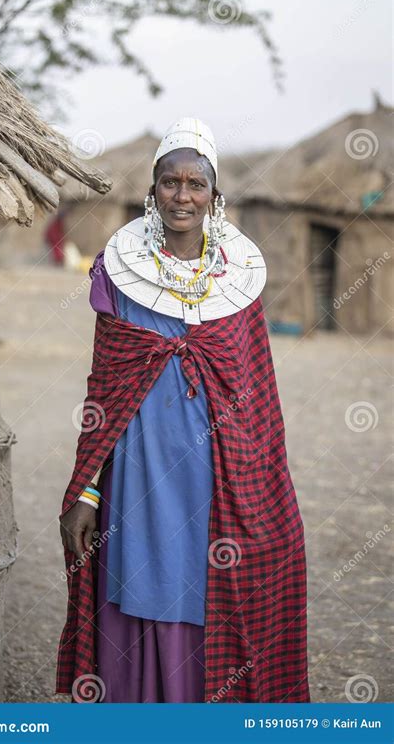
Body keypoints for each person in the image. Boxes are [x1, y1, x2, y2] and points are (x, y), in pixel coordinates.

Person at [56, 117, 310, 703]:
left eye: (197, 185)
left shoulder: (239, 284)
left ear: (215, 197)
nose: (183, 196)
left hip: (217, 473)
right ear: (153, 190)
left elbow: (256, 393)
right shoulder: (118, 274)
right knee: (143, 582)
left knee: (209, 586)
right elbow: (104, 388)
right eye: (171, 182)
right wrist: (89, 492)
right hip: (139, 471)